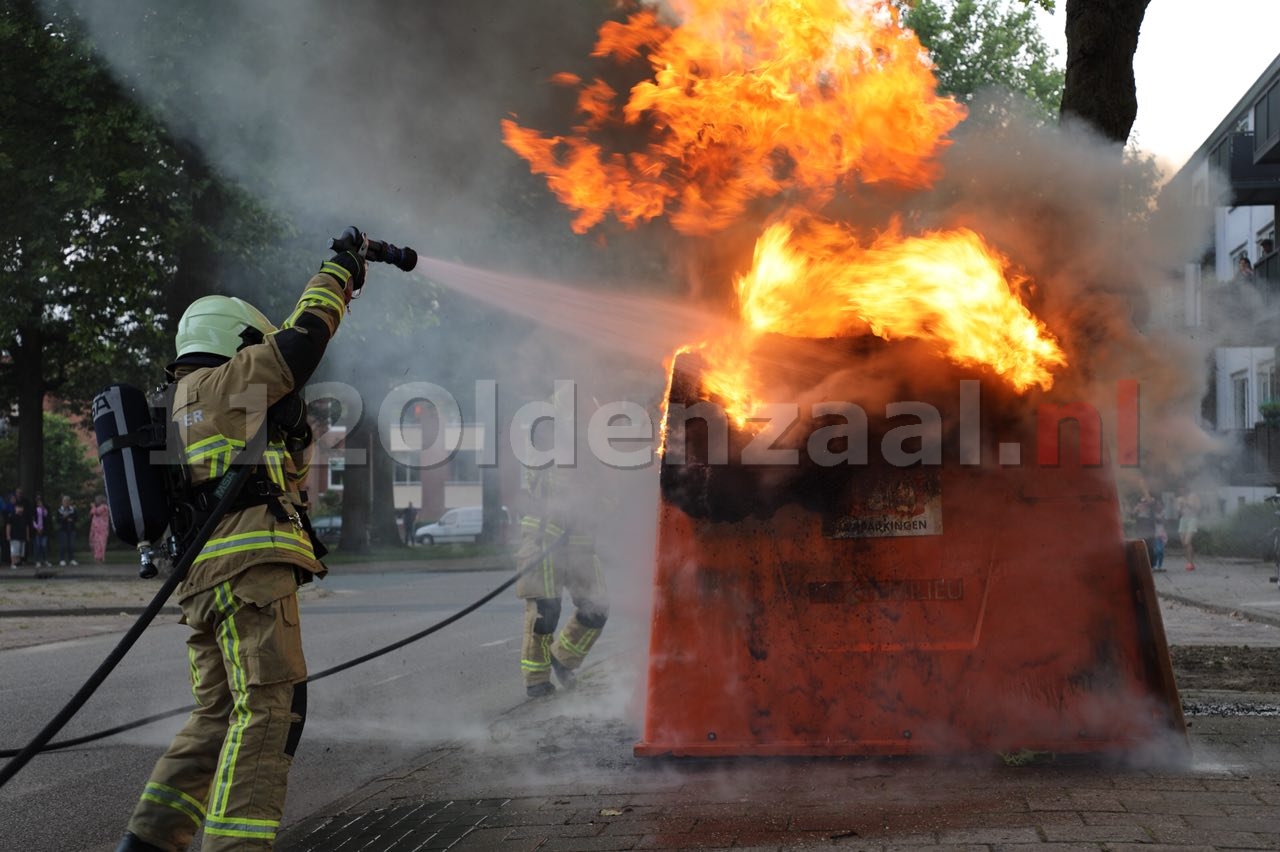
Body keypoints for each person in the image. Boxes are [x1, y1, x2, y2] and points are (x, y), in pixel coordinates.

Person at [114, 233, 368, 852]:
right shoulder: (230, 381)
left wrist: (290, 424)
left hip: (203, 582)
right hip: (249, 573)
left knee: (217, 717)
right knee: (269, 714)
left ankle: (147, 843)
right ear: (235, 340)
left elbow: (274, 473)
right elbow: (305, 338)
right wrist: (340, 270)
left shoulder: (177, 404)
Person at [513, 403, 609, 698]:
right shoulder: (541, 456)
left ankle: (563, 658)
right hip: (543, 544)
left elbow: (604, 502)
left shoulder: (592, 461)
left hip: (580, 548)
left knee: (597, 610)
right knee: (545, 614)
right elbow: (550, 493)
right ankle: (536, 681)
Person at [1132, 485, 1159, 572]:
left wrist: (1144, 487)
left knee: (1150, 547)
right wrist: (1135, 510)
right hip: (1140, 526)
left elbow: (1150, 502)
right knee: (1140, 547)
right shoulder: (1139, 501)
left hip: (1149, 527)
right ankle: (1141, 565)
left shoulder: (1152, 500)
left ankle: (1151, 565)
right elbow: (1133, 514)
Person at [1177, 485, 1202, 572]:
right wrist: (1180, 507)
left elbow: (1198, 509)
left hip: (1192, 519)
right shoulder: (1179, 498)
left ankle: (1191, 563)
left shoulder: (1194, 496)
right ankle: (1189, 561)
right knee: (1183, 543)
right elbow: (1179, 513)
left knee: (1188, 542)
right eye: (1180, 488)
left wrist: (1187, 503)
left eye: (1182, 488)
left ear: (1186, 488)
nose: (1181, 490)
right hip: (1183, 520)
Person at [6, 500, 31, 569]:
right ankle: (13, 563)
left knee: (20, 551)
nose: (20, 509)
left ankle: (17, 563)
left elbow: (27, 527)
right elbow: (8, 526)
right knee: (14, 551)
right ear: (15, 508)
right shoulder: (12, 516)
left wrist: (27, 535)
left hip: (22, 536)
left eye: (21, 507)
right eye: (18, 507)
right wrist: (8, 535)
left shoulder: (24, 517)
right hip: (14, 536)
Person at [56, 494, 78, 566]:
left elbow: (76, 518)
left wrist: (71, 519)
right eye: (65, 501)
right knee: (63, 545)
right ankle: (62, 559)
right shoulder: (59, 510)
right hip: (63, 530)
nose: (66, 502)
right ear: (62, 502)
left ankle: (71, 559)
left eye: (68, 501)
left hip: (71, 529)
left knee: (71, 545)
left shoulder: (73, 509)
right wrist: (64, 518)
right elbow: (58, 520)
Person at [89, 493, 111, 562]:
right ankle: (97, 557)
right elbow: (91, 513)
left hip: (101, 529)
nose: (96, 501)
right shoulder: (99, 507)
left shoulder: (104, 507)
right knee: (96, 542)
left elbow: (96, 512)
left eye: (97, 500)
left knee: (100, 543)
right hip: (96, 528)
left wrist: (93, 506)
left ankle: (100, 557)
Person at [31, 494, 49, 567]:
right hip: (37, 530)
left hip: (44, 530)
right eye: (38, 502)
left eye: (40, 502)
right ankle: (37, 560)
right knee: (38, 546)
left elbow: (46, 517)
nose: (39, 503)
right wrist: (37, 528)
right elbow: (33, 520)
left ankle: (45, 560)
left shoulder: (45, 509)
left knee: (44, 545)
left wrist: (43, 508)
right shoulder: (34, 509)